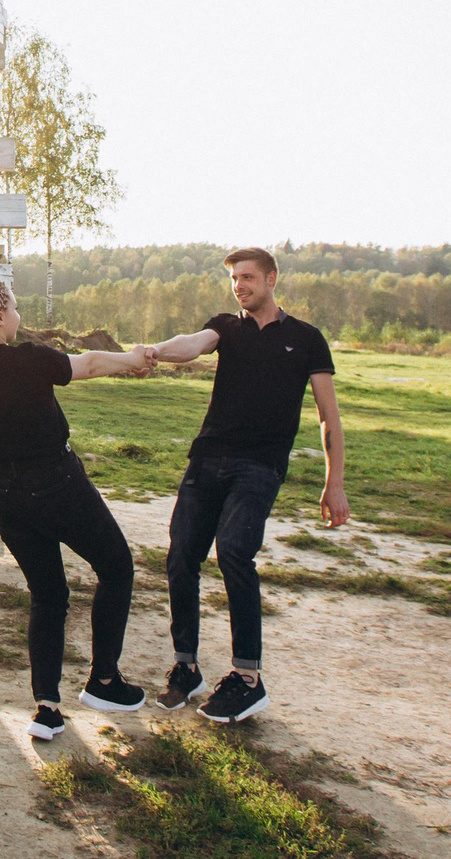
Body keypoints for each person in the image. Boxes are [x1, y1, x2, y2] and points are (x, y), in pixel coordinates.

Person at [0, 274, 159, 740]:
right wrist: (134, 358)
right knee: (117, 567)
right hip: (60, 486)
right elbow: (94, 364)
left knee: (48, 596)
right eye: (16, 309)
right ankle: (104, 681)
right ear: (0, 318)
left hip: (7, 498)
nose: (19, 317)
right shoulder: (30, 359)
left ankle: (47, 708)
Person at [138, 246, 345, 724]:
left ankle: (248, 678)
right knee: (181, 556)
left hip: (259, 465)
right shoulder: (226, 327)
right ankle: (186, 667)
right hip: (207, 457)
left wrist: (334, 483)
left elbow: (328, 416)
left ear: (272, 278)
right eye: (234, 278)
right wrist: (154, 353)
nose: (240, 286)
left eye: (248, 277)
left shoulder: (306, 339)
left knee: (234, 551)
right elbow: (192, 343)